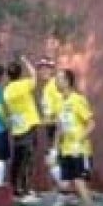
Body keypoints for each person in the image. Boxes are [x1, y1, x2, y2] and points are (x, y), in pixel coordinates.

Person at [54, 68, 97, 206]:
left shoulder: (78, 100)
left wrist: (80, 138)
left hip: (79, 150)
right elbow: (59, 127)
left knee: (79, 182)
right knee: (64, 184)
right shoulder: (59, 102)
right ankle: (85, 199)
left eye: (59, 78)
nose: (56, 82)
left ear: (67, 82)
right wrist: (54, 148)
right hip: (65, 149)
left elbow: (91, 124)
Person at [3, 55, 42, 203]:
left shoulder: (6, 91)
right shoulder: (24, 85)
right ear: (20, 74)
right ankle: (25, 190)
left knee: (17, 160)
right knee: (28, 159)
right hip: (29, 126)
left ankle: (14, 188)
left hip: (17, 128)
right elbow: (34, 75)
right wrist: (26, 61)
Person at [37, 57, 66, 197]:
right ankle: (63, 192)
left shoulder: (52, 87)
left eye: (46, 68)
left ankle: (65, 191)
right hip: (53, 127)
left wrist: (43, 122)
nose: (42, 71)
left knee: (52, 160)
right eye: (40, 68)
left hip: (57, 129)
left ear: (52, 69)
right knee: (55, 161)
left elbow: (60, 114)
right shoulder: (49, 87)